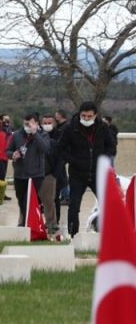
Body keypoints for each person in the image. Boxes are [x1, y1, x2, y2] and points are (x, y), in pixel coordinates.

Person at [58, 101, 115, 237]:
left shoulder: (103, 128)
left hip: (98, 174)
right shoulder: (70, 128)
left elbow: (111, 147)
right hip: (77, 174)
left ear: (95, 115)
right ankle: (73, 236)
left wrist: (103, 160)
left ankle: (111, 234)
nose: (86, 119)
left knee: (109, 205)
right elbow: (60, 148)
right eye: (84, 116)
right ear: (80, 114)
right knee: (74, 206)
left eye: (89, 116)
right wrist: (73, 161)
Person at [6, 113, 50, 227]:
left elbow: (45, 148)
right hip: (20, 174)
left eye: (29, 124)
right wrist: (12, 154)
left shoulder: (43, 135)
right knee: (21, 201)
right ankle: (25, 220)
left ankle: (29, 224)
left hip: (36, 175)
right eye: (25, 124)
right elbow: (8, 151)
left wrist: (35, 133)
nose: (27, 126)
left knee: (31, 201)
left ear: (36, 123)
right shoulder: (16, 135)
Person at [40, 114, 61, 237]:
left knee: (51, 201)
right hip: (36, 174)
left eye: (49, 123)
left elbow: (61, 158)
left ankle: (52, 224)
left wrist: (54, 174)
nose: (47, 125)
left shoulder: (59, 136)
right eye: (45, 123)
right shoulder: (37, 136)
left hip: (51, 174)